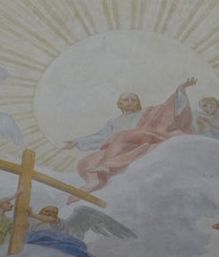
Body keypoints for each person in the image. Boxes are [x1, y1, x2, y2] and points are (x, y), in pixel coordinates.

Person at [61, 79, 195, 197]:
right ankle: (94, 182)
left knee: (121, 136)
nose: (130, 102)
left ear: (138, 103)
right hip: (117, 148)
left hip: (143, 140)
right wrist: (76, 142)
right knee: (85, 163)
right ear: (120, 104)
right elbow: (101, 137)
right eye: (126, 100)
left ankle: (107, 165)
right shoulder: (114, 122)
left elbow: (167, 108)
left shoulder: (147, 113)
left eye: (133, 100)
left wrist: (181, 90)